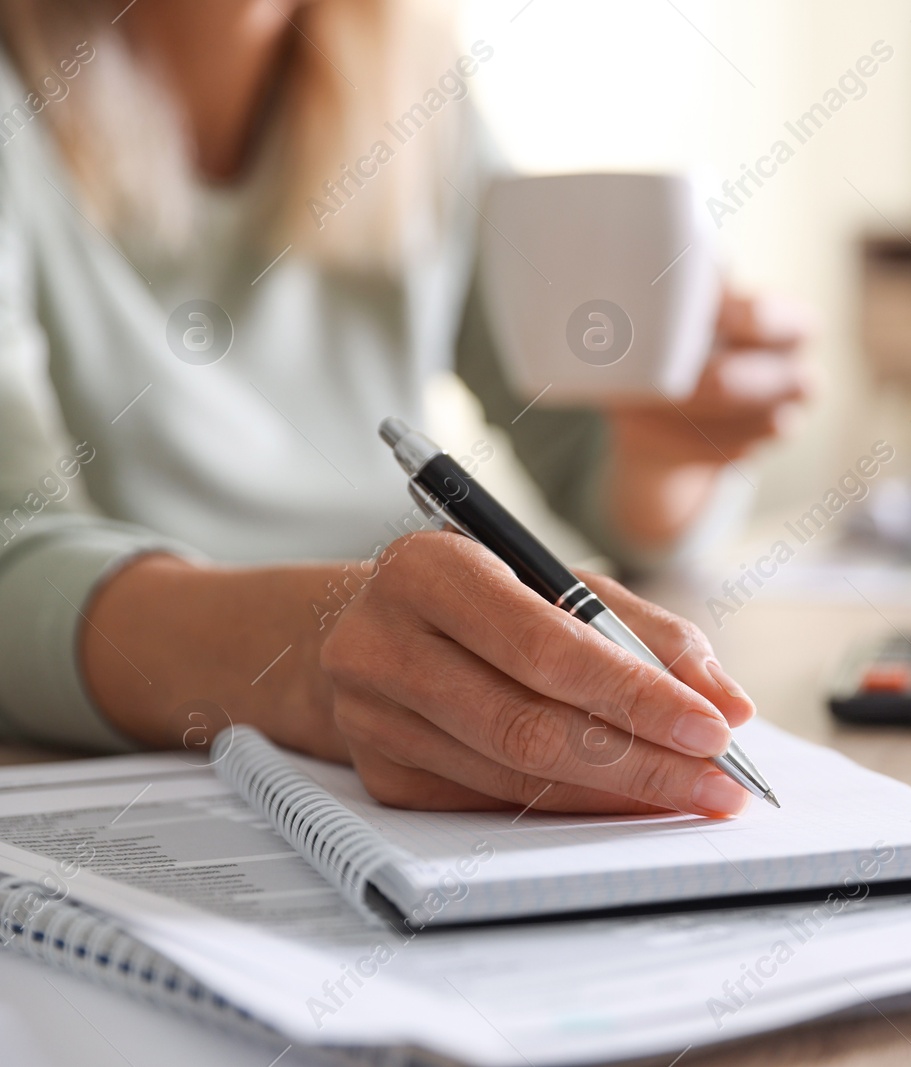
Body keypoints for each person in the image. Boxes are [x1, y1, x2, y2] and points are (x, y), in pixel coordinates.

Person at [0, 1, 808, 817]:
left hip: (400, 744)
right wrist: (312, 661)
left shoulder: (411, 87)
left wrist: (671, 445)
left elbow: (594, 473)